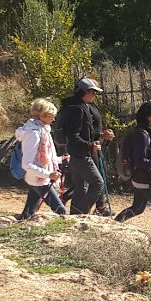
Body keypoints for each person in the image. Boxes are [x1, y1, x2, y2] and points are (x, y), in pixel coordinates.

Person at [57, 77, 113, 216]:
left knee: (81, 186)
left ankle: (75, 217)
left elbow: (83, 133)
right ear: (84, 92)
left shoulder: (78, 106)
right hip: (81, 154)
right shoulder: (77, 109)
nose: (95, 95)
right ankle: (81, 214)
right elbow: (74, 136)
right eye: (93, 92)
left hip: (76, 154)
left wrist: (99, 136)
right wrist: (90, 146)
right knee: (98, 184)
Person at [115, 101, 151, 227]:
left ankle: (115, 224)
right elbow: (140, 161)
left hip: (139, 179)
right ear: (148, 118)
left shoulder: (142, 132)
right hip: (147, 180)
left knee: (138, 208)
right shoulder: (143, 136)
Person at [16, 98, 67, 220]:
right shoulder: (33, 133)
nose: (53, 119)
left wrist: (60, 159)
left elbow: (46, 156)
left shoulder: (43, 130)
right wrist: (49, 174)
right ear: (42, 115)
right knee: (60, 210)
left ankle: (23, 225)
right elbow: (27, 163)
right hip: (39, 179)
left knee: (29, 211)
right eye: (51, 116)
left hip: (39, 178)